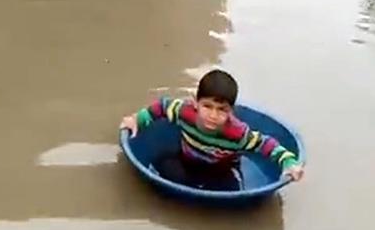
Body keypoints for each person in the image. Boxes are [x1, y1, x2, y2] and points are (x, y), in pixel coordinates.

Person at [119, 69, 305, 191]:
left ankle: (204, 191)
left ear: (231, 111)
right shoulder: (184, 112)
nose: (213, 115)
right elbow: (160, 107)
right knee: (164, 164)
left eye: (222, 110)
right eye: (207, 106)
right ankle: (189, 188)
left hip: (221, 169)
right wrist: (137, 119)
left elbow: (267, 145)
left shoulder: (237, 133)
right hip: (188, 160)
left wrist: (288, 162)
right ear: (195, 102)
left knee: (232, 190)